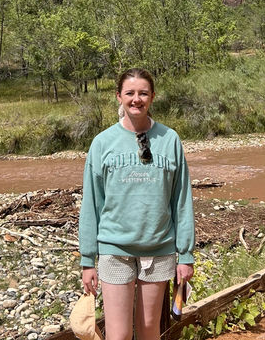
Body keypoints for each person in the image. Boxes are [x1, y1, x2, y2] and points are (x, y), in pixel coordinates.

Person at [78, 68, 195, 340]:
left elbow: (181, 199)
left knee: (148, 331)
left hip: (159, 248)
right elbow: (91, 204)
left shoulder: (170, 140)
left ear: (153, 97)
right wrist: (87, 260)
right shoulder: (102, 143)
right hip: (114, 248)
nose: (136, 99)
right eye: (130, 93)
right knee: (117, 335)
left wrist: (185, 255)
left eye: (143, 93)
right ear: (118, 96)